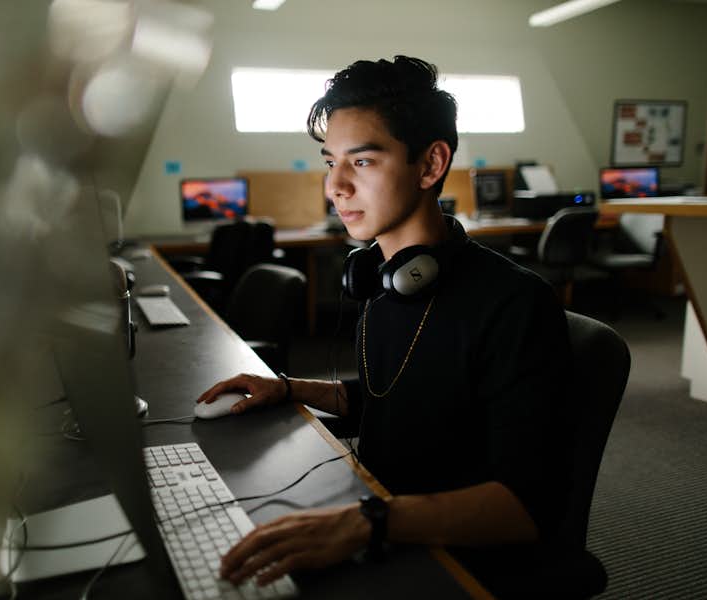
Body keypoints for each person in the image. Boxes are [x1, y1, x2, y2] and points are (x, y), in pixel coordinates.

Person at [197, 55, 574, 589]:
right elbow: (393, 397)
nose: (336, 187)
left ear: (429, 165)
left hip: (449, 559)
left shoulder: (514, 304)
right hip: (381, 517)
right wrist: (287, 388)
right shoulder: (383, 281)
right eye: (330, 163)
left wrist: (366, 522)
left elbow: (524, 508)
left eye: (363, 162)